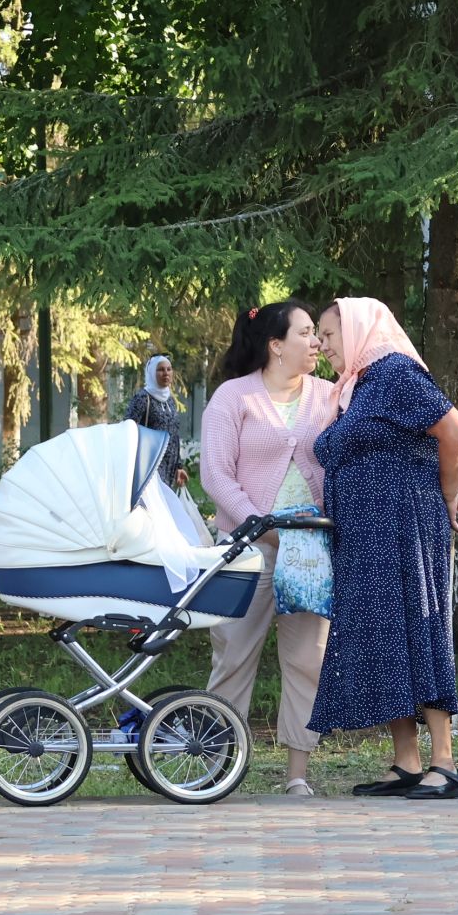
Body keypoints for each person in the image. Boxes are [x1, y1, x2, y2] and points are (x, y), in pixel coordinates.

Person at [309, 297, 458, 800]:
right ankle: (406, 762)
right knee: (384, 637)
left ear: (359, 330)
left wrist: (448, 494)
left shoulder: (395, 373)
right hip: (365, 537)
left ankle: (443, 762)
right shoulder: (357, 387)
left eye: (329, 334)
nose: (321, 345)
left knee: (419, 627)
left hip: (405, 526)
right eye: (317, 335)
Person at [198, 302, 336, 795]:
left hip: (311, 553)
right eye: (306, 333)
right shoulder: (233, 398)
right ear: (276, 345)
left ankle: (297, 775)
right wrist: (260, 527)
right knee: (234, 655)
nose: (317, 342)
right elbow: (215, 475)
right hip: (246, 549)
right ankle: (216, 768)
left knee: (307, 660)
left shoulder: (330, 395)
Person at [123, 355, 188, 489]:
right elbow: (127, 429)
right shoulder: (142, 398)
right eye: (161, 370)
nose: (166, 373)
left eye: (169, 369)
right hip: (150, 463)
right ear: (152, 373)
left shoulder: (169, 399)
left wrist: (178, 466)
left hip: (169, 466)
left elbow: (174, 434)